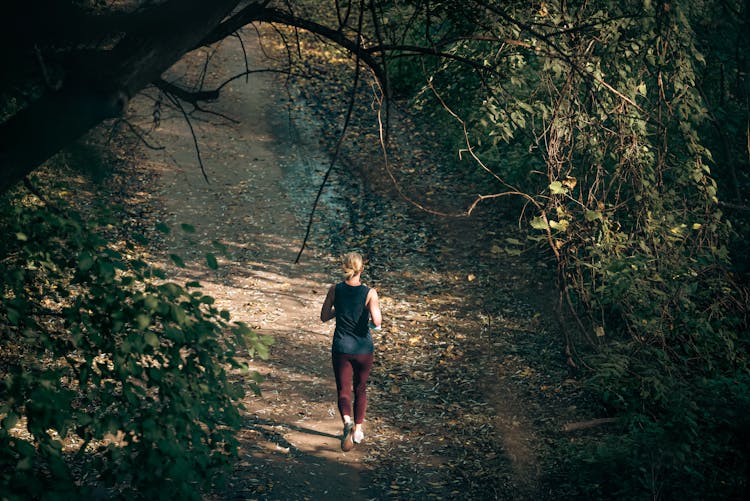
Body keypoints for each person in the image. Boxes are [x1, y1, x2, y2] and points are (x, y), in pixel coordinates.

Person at [320, 252, 382, 451]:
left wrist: (341, 309)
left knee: (343, 389)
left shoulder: (335, 289)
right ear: (361, 269)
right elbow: (377, 322)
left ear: (344, 267)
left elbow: (324, 316)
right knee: (361, 388)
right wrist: (370, 322)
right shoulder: (370, 293)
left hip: (341, 348)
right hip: (364, 348)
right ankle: (358, 429)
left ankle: (346, 421)